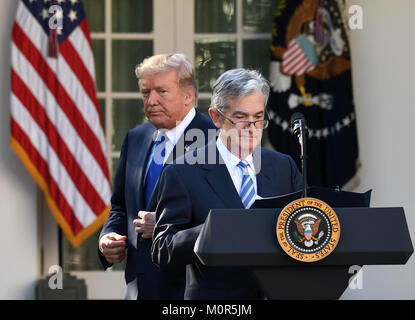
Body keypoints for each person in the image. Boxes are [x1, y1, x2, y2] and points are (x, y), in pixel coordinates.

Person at [151, 68, 303, 300]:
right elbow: (162, 249)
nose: (252, 128)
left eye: (258, 117)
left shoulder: (283, 166)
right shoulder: (182, 172)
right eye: (241, 118)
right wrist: (213, 230)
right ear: (216, 117)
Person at [98, 54, 216, 300]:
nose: (151, 101)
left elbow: (226, 218)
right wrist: (107, 238)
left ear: (188, 96)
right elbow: (121, 207)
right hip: (139, 289)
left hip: (192, 291)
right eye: (145, 93)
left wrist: (165, 226)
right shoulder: (136, 138)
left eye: (161, 91)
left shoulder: (216, 141)